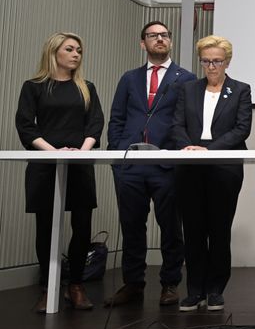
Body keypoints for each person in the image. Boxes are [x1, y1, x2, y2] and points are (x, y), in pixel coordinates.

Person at [105, 21, 194, 308]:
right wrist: (117, 153)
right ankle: (133, 284)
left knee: (170, 226)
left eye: (165, 35)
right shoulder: (129, 78)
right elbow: (117, 117)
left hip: (166, 162)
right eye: (153, 36)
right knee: (131, 225)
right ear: (142, 43)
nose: (160, 39)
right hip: (129, 163)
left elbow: (187, 120)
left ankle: (170, 284)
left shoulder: (186, 78)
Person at [15, 32, 104, 313]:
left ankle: (75, 286)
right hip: (45, 164)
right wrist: (53, 151)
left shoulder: (86, 87)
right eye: (70, 49)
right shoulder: (34, 87)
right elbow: (26, 126)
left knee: (82, 225)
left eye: (79, 49)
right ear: (54, 52)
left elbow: (95, 124)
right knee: (45, 227)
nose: (77, 54)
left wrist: (82, 150)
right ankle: (48, 286)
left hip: (79, 164)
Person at [171, 35, 252, 312]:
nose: (211, 66)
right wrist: (190, 147)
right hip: (190, 165)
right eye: (206, 61)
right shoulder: (188, 89)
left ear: (227, 61)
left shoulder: (240, 90)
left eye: (217, 61)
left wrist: (210, 149)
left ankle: (216, 289)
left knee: (219, 229)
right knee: (193, 230)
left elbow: (241, 129)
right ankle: (194, 290)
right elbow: (176, 125)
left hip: (223, 168)